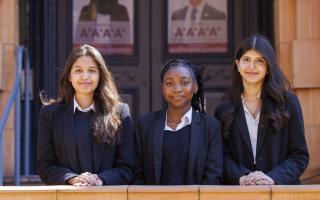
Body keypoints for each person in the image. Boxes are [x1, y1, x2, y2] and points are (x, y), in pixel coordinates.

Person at [214, 34, 309, 185]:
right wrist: (242, 177)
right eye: (246, 60)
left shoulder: (288, 103)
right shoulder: (224, 109)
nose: (251, 66)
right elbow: (222, 156)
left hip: (280, 194)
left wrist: (273, 178)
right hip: (240, 194)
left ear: (268, 68)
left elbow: (299, 155)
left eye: (259, 61)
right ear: (237, 65)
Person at [37, 44, 134, 186]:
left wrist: (99, 180)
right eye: (78, 70)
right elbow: (45, 166)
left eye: (92, 70)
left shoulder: (120, 112)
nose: (85, 76)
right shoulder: (49, 114)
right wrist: (72, 179)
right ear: (69, 76)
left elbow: (127, 167)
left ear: (100, 75)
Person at [134, 59, 222, 185]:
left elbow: (213, 176)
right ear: (162, 88)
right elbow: (137, 174)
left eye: (184, 82)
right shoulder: (145, 125)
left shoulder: (210, 127)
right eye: (169, 83)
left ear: (195, 87)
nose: (177, 89)